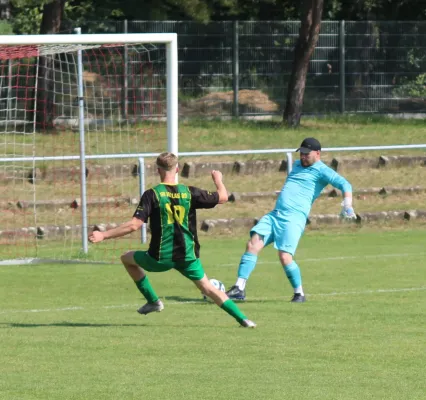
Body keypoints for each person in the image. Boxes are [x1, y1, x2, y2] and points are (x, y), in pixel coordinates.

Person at [89, 152, 256, 328]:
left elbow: (133, 225)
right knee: (208, 288)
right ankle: (244, 319)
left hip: (160, 258)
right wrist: (218, 180)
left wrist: (103, 235)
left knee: (126, 258)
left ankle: (153, 301)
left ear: (158, 170)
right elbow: (223, 197)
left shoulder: (152, 194)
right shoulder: (189, 192)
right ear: (177, 169)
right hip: (188, 256)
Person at [226, 137, 356, 303]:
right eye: (301, 153)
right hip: (275, 215)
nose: (302, 156)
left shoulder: (322, 170)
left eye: (306, 154)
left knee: (285, 257)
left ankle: (299, 293)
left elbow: (345, 184)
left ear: (318, 153)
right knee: (252, 245)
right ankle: (239, 288)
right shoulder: (296, 165)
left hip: (293, 219)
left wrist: (347, 205)